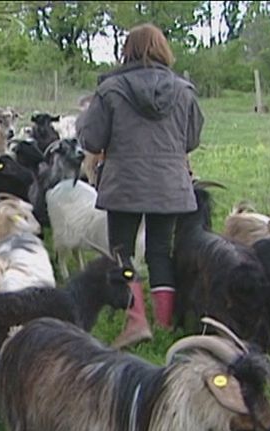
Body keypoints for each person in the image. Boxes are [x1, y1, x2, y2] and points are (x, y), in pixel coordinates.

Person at [76, 23, 204, 349]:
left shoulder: (110, 89)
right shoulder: (184, 91)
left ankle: (136, 320)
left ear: (127, 50)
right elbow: (191, 139)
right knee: (160, 251)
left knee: (122, 251)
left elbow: (91, 140)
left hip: (124, 183)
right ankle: (163, 324)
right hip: (169, 184)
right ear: (163, 49)